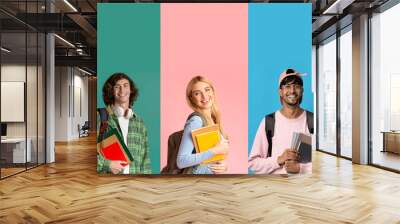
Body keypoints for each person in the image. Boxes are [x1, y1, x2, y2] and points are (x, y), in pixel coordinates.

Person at [248, 68, 313, 174]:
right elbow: (253, 163)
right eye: (287, 86)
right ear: (280, 91)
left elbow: (324, 163)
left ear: (302, 91)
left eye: (296, 86)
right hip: (275, 188)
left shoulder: (313, 121)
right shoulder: (269, 122)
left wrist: (300, 169)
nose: (292, 90)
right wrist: (278, 160)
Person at [97, 72, 151, 174]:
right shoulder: (101, 117)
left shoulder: (139, 122)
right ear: (111, 91)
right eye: (117, 86)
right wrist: (107, 164)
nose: (122, 90)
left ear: (131, 90)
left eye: (126, 85)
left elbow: (145, 159)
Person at [176, 76, 229, 174]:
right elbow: (182, 161)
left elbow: (212, 160)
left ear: (213, 91)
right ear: (191, 98)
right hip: (197, 185)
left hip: (209, 184)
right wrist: (214, 151)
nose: (204, 96)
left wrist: (224, 166)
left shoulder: (214, 120)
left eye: (207, 90)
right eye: (197, 93)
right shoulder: (196, 121)